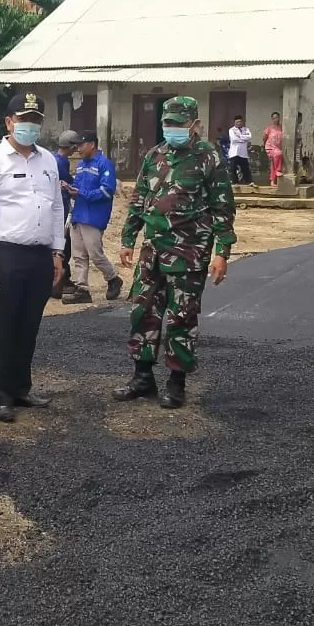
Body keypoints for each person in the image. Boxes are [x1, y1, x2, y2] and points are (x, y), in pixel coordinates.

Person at [114, 96, 237, 410]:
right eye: (168, 123)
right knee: (142, 311)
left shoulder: (209, 157)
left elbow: (223, 208)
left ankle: (176, 383)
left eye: (179, 124)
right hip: (152, 251)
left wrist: (222, 251)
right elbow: (140, 198)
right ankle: (142, 377)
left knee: (181, 317)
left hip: (188, 252)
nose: (172, 129)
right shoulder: (155, 155)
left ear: (194, 125)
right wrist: (128, 238)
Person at [0, 92, 65, 423]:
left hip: (40, 253)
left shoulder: (48, 160)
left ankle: (22, 388)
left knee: (29, 325)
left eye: (36, 121)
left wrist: (58, 251)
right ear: (9, 123)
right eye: (24, 120)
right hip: (5, 252)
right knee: (3, 326)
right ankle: (1, 395)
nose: (30, 126)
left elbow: (56, 207)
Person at [63, 130, 122, 304]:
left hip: (93, 216)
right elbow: (78, 186)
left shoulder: (104, 164)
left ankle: (113, 278)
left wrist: (82, 193)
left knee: (95, 254)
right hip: (79, 214)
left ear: (92, 144)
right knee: (78, 255)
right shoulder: (81, 164)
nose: (77, 148)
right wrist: (70, 188)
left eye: (80, 145)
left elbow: (107, 190)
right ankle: (82, 288)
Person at [53, 129, 79, 299]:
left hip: (58, 205)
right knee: (64, 244)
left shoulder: (53, 157)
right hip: (60, 207)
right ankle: (61, 279)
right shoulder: (61, 162)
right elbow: (66, 182)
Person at [227, 116, 252, 185]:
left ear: (242, 122)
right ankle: (235, 182)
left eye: (240, 122)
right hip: (234, 152)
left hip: (243, 153)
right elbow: (234, 139)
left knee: (245, 168)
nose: (238, 123)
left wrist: (240, 136)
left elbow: (249, 136)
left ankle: (249, 181)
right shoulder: (231, 130)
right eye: (237, 122)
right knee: (233, 168)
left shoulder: (246, 129)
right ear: (234, 122)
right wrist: (244, 139)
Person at [263, 111, 284, 186]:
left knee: (274, 162)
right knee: (278, 154)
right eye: (274, 118)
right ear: (272, 119)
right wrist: (265, 146)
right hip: (270, 147)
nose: (276, 119)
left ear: (279, 118)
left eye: (277, 117)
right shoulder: (269, 128)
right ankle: (278, 171)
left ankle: (272, 181)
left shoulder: (282, 127)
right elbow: (264, 138)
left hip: (278, 148)